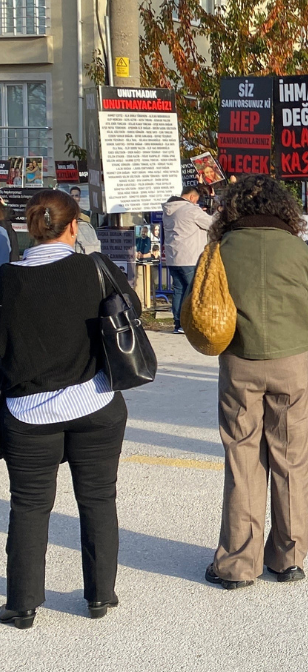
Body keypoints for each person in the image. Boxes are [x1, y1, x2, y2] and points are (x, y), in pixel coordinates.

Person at [0, 190, 137, 629]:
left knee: (29, 506)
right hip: (94, 401)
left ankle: (21, 605)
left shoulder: (4, 280)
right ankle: (100, 595)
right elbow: (129, 312)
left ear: (28, 226)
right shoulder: (94, 269)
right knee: (98, 499)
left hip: (28, 411)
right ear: (74, 225)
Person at [203, 175, 308, 591]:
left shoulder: (221, 248)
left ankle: (238, 563)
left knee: (243, 459)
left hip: (239, 360)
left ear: (232, 208)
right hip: (291, 360)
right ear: (282, 208)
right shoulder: (293, 246)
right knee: (292, 460)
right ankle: (288, 558)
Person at [163, 186, 214, 334]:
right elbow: (211, 223)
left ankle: (178, 323)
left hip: (174, 257)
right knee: (191, 291)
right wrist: (218, 212)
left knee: (178, 290)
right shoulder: (191, 210)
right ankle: (189, 323)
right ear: (192, 197)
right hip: (190, 257)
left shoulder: (169, 210)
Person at [68, 186, 101, 255]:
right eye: (72, 196)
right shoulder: (65, 214)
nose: (74, 198)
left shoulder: (85, 214)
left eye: (76, 196)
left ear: (79, 198)